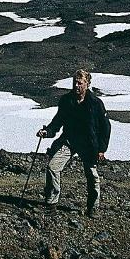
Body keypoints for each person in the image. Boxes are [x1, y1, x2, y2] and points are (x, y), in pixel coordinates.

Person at [37, 68, 111, 218]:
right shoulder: (66, 101)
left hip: (89, 145)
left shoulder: (96, 103)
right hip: (69, 141)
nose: (76, 86)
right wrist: (47, 132)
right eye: (74, 83)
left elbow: (105, 127)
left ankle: (93, 207)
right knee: (53, 167)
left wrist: (101, 149)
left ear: (87, 84)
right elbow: (57, 121)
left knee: (92, 176)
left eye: (80, 83)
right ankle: (51, 203)